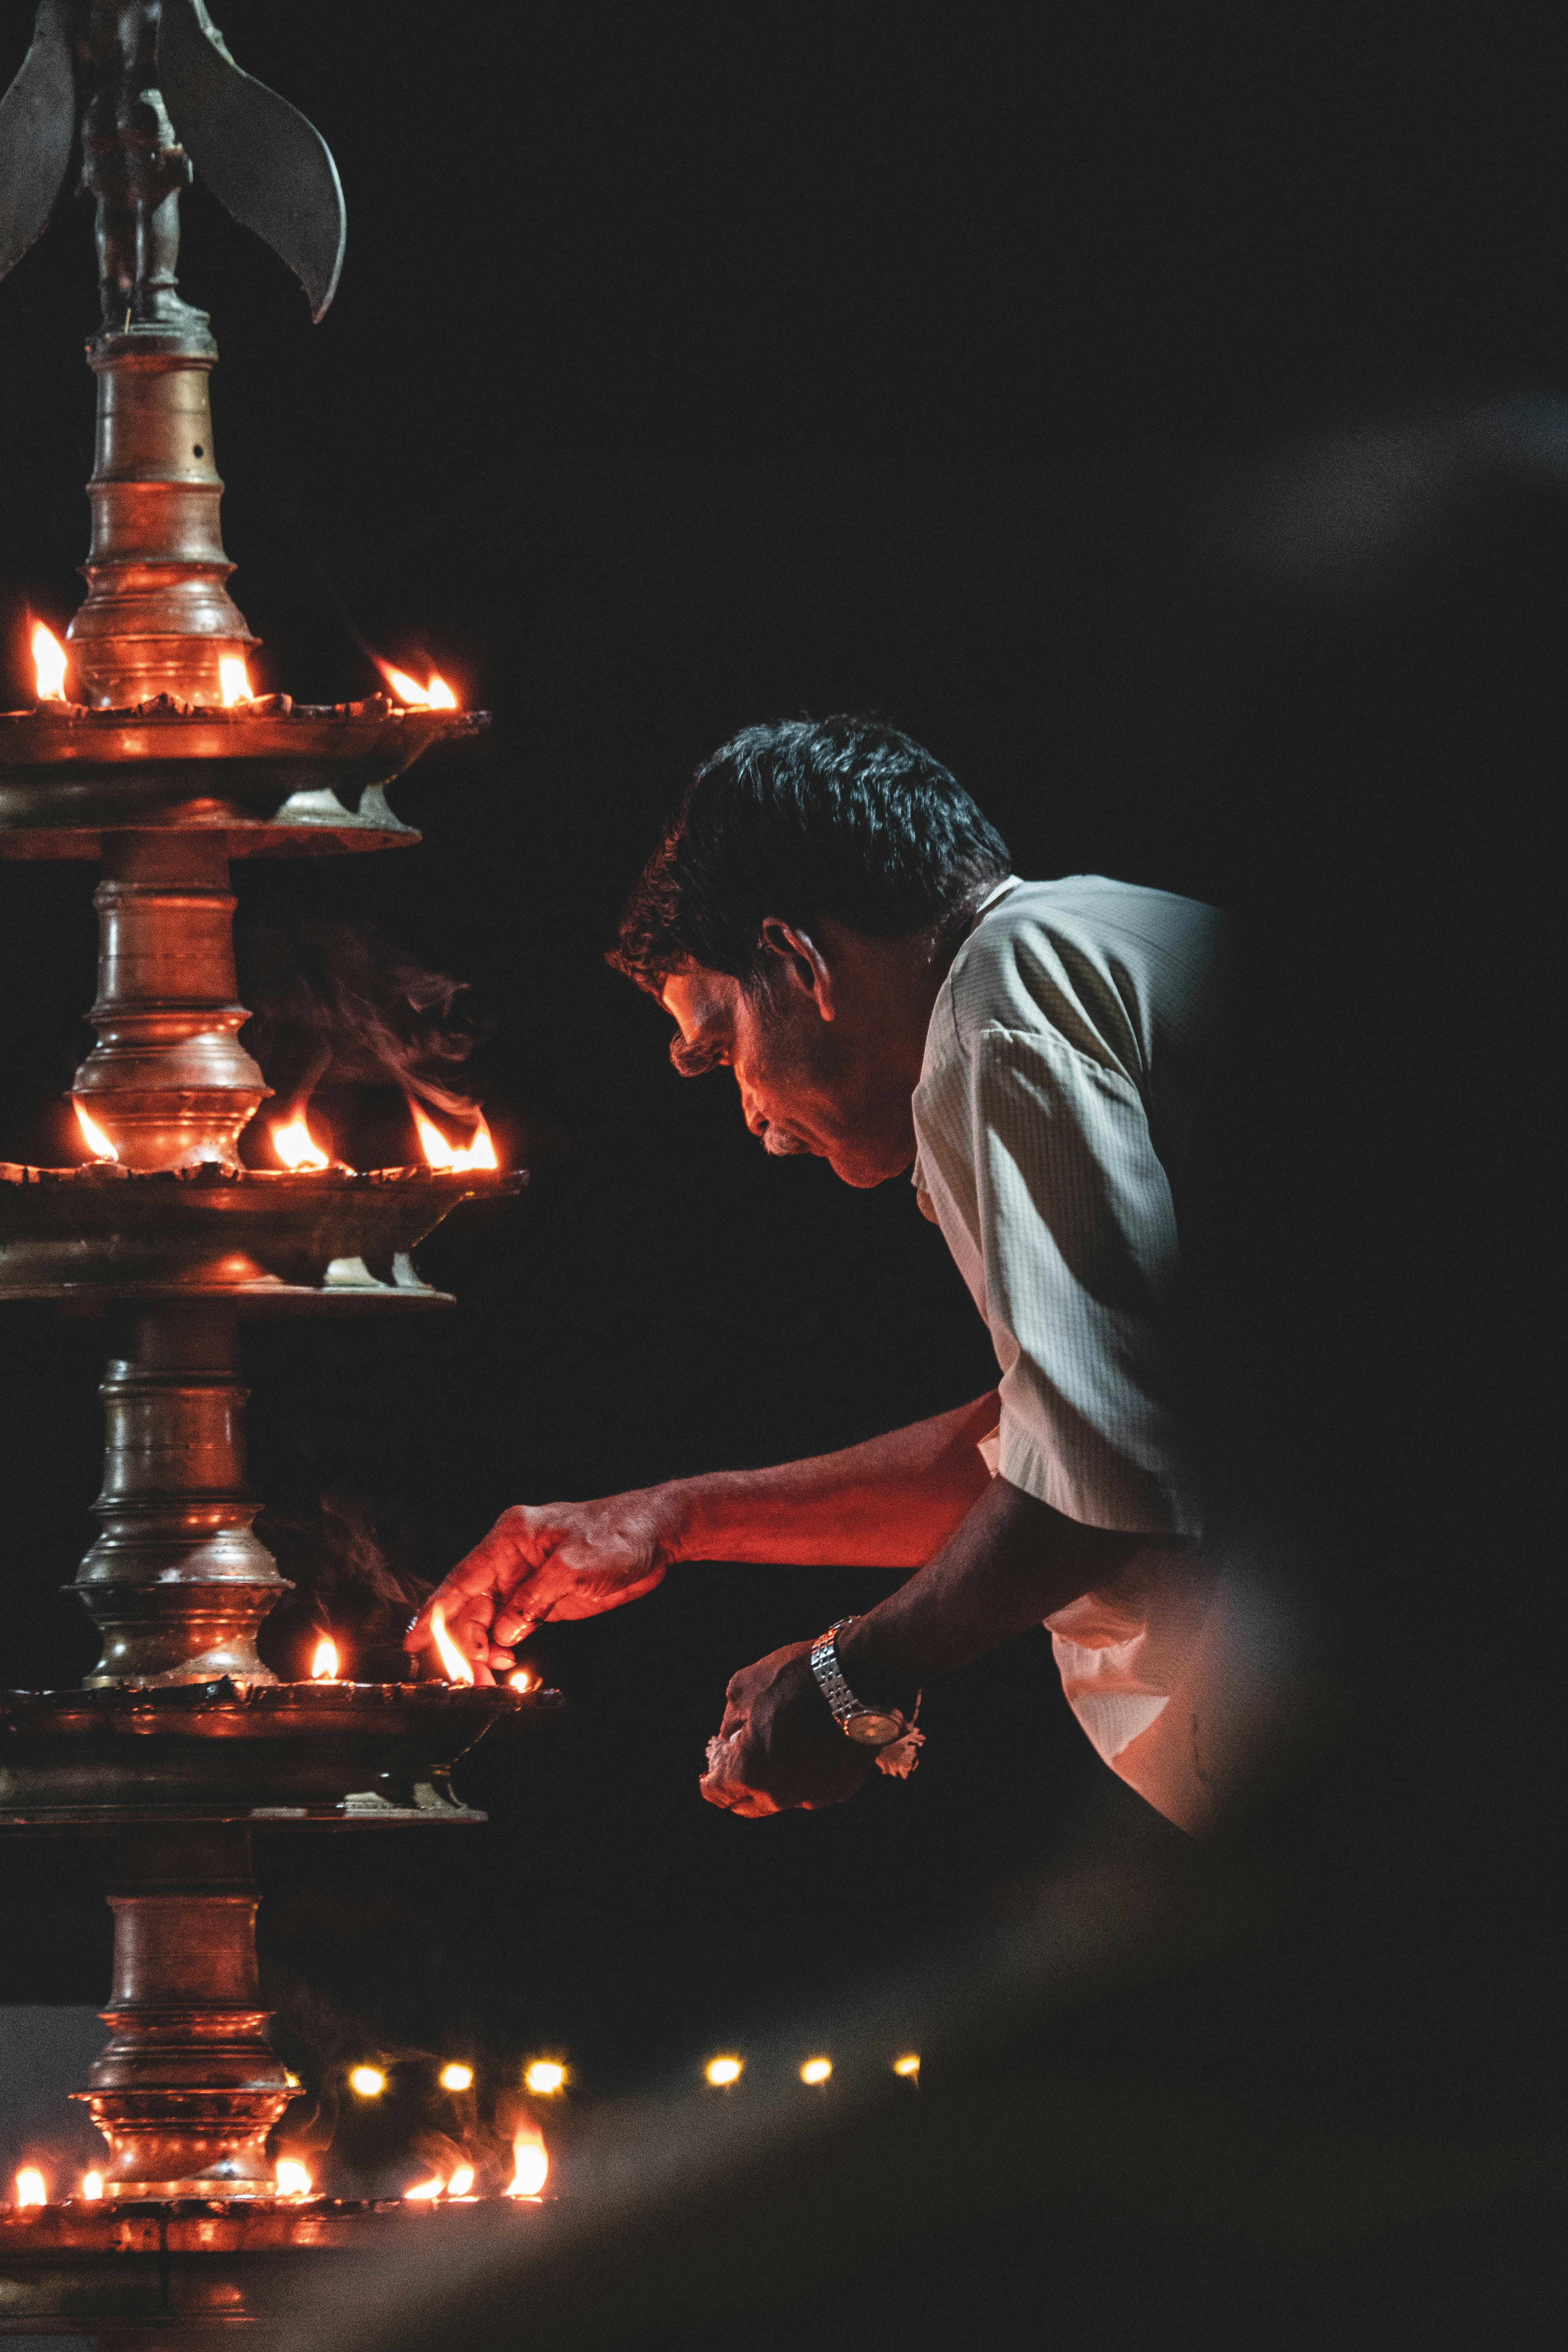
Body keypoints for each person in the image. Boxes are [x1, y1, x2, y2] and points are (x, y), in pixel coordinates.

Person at [408, 716, 1262, 1835]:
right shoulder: (1096, 933)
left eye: (721, 1051)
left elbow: (1102, 1476)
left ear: (801, 965)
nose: (754, 1119)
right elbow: (1061, 1438)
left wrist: (849, 1679)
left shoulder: (998, 1012)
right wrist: (671, 1518)